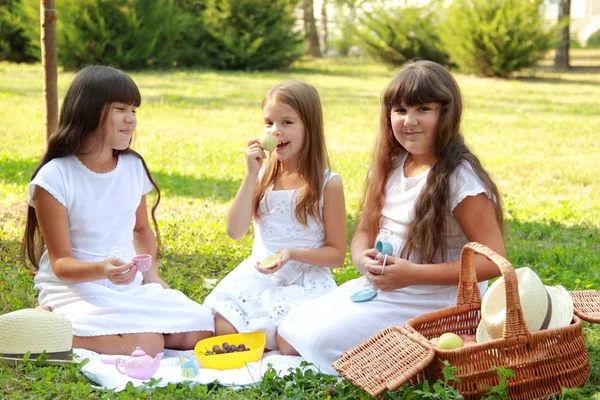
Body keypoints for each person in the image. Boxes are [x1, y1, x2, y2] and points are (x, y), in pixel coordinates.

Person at [276, 60, 505, 374]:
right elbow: (364, 233)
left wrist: (413, 275)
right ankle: (393, 349)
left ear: (446, 113)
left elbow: (493, 261)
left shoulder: (459, 178)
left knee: (316, 343)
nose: (409, 121)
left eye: (423, 109)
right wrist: (362, 261)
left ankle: (414, 353)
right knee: (290, 330)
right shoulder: (391, 164)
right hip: (386, 288)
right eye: (400, 110)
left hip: (437, 300)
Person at [21, 65, 214, 357]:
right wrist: (101, 270)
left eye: (134, 111)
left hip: (126, 282)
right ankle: (49, 328)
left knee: (202, 330)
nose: (131, 119)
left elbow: (140, 230)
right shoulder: (55, 177)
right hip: (77, 285)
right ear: (88, 111)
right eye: (121, 109)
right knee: (147, 345)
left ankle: (127, 330)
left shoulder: (132, 167)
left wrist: (152, 276)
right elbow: (61, 263)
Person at [203, 80, 347, 350]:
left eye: (287, 123)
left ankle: (268, 339)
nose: (275, 131)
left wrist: (291, 253)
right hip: (259, 277)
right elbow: (234, 231)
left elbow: (337, 255)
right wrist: (250, 174)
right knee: (220, 329)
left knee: (290, 342)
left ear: (310, 127)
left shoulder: (328, 183)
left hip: (305, 278)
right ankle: (258, 338)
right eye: (268, 123)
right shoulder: (261, 176)